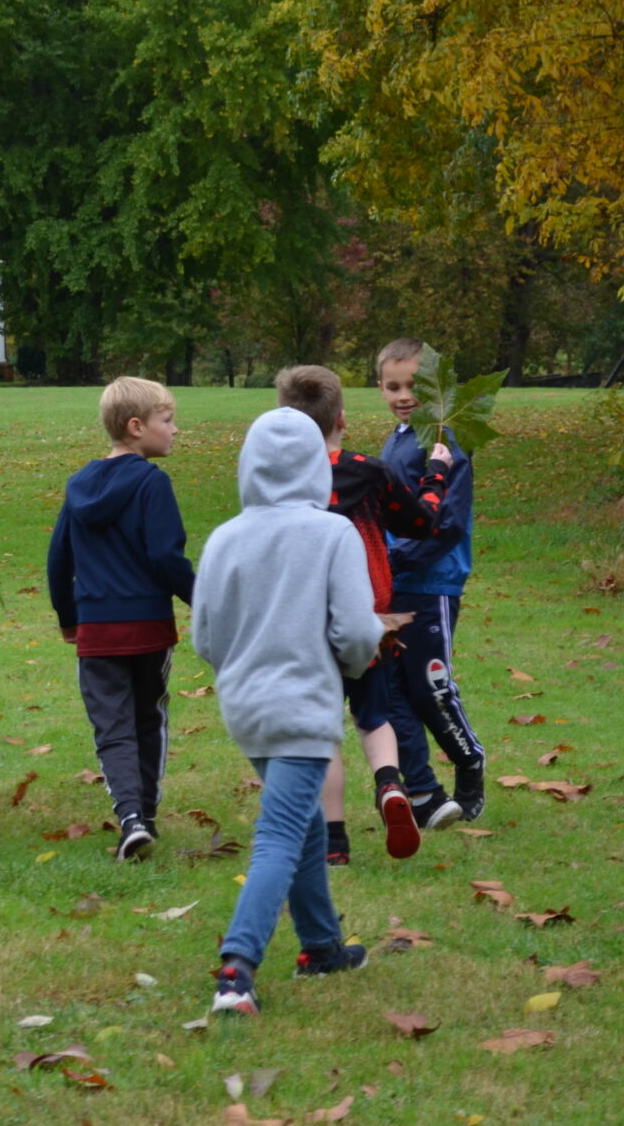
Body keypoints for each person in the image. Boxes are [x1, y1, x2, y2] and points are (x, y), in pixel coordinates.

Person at [196, 407, 384, 1016]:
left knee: (302, 828)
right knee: (278, 836)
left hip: (245, 707)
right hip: (302, 705)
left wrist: (239, 669)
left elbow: (204, 634)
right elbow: (357, 629)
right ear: (315, 467)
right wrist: (352, 666)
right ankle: (237, 967)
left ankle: (322, 947)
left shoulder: (225, 537)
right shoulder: (334, 534)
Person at [272, 365, 452, 864]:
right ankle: (391, 785)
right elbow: (422, 520)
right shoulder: (367, 472)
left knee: (323, 728)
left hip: (305, 621)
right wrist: (437, 473)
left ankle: (334, 841)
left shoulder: (280, 478)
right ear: (342, 419)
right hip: (367, 616)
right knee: (374, 717)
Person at [46, 376, 195, 860]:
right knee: (148, 717)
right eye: (167, 421)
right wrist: (205, 601)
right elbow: (167, 558)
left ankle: (132, 816)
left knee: (112, 725)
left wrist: (69, 617)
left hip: (96, 628)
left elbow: (58, 559)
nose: (175, 430)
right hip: (149, 624)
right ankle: (143, 814)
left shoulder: (78, 486)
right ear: (136, 427)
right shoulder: (153, 483)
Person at [371, 337, 486, 828]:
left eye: (413, 386)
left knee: (429, 687)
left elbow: (448, 524)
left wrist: (398, 560)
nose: (404, 395)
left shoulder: (445, 445)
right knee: (392, 689)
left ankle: (468, 760)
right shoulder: (396, 439)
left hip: (432, 582)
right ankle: (424, 792)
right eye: (392, 386)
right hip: (392, 582)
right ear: (380, 388)